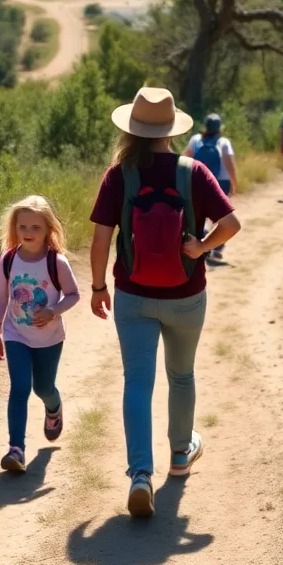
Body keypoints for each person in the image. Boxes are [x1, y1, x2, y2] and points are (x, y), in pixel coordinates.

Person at [89, 87, 242, 518]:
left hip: (133, 294)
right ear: (172, 130)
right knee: (181, 375)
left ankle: (140, 474)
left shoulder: (118, 175)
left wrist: (99, 287)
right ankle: (179, 455)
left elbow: (101, 238)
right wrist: (202, 247)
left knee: (137, 381)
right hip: (186, 295)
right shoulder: (192, 171)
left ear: (132, 129)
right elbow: (232, 223)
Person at [0, 196, 80, 473]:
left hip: (50, 338)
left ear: (48, 230)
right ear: (15, 228)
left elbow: (73, 294)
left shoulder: (57, 262)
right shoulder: (8, 260)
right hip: (16, 334)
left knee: (43, 388)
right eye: (23, 227)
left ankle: (53, 407)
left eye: (35, 228)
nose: (28, 233)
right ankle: (16, 449)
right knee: (19, 388)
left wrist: (54, 311)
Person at [183, 113, 237, 262]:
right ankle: (216, 249)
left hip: (198, 181)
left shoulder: (196, 140)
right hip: (221, 182)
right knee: (221, 218)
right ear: (220, 127)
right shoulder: (223, 142)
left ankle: (202, 242)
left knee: (200, 216)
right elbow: (228, 161)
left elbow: (185, 157)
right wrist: (234, 181)